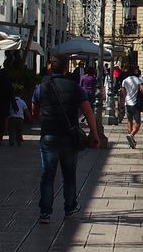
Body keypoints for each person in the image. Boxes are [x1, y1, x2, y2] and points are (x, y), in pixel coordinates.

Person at [32, 55, 101, 224]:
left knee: (48, 174)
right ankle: (70, 208)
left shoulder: (41, 87)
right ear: (65, 69)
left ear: (50, 68)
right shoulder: (75, 87)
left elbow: (34, 111)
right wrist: (95, 134)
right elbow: (88, 112)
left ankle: (45, 213)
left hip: (49, 135)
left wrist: (42, 119)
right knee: (69, 174)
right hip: (69, 137)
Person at [122, 69, 143, 149]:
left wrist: (123, 102)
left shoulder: (125, 81)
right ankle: (131, 135)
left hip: (127, 103)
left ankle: (131, 140)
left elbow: (123, 92)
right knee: (138, 122)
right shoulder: (138, 80)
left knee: (129, 121)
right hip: (135, 104)